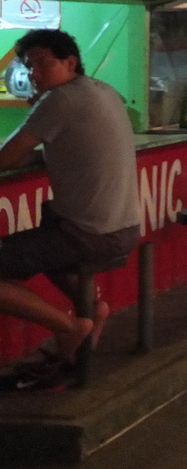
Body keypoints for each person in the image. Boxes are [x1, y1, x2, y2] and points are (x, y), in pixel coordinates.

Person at [0, 30, 141, 390]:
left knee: (49, 238)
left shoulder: (59, 101)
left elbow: (8, 156)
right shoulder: (103, 90)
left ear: (70, 62)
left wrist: (39, 106)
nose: (35, 73)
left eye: (43, 63)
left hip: (90, 235)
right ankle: (91, 311)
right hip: (122, 229)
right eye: (30, 66)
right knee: (51, 225)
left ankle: (70, 326)